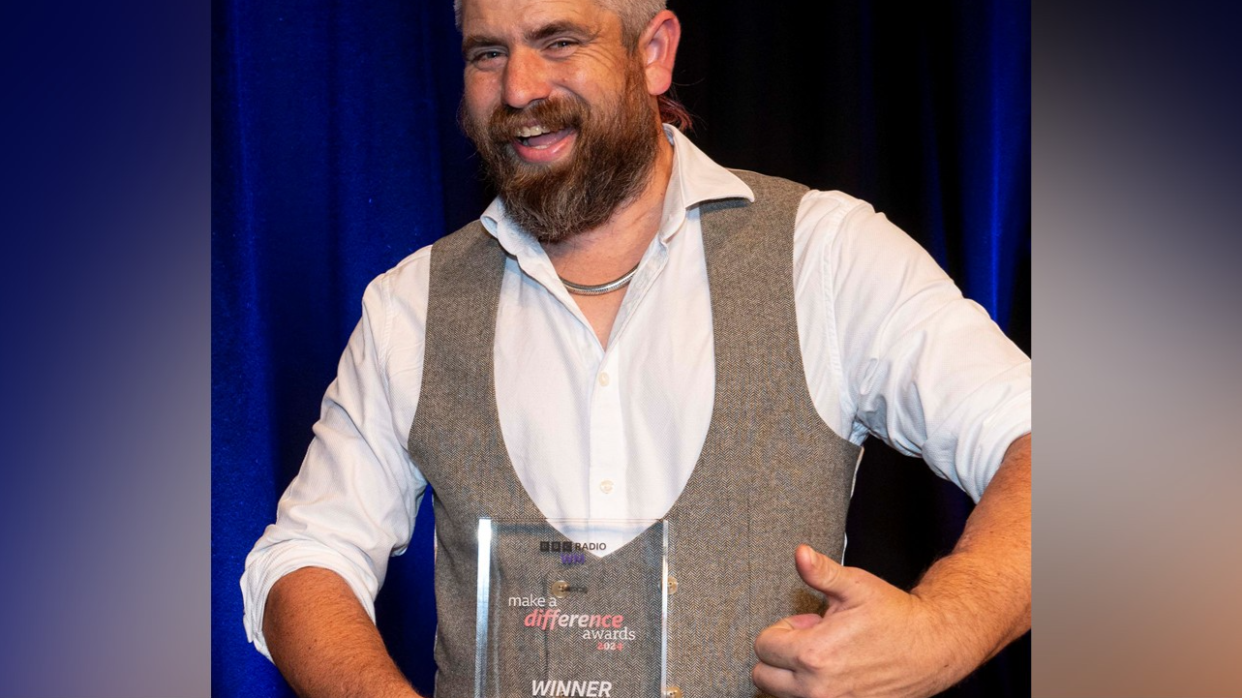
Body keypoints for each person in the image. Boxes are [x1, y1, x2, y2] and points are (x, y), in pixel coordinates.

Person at [241, 0, 1032, 696]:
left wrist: (943, 630)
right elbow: (305, 555)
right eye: (488, 52)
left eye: (558, 42)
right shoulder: (409, 306)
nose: (518, 88)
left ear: (653, 52)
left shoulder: (823, 256)